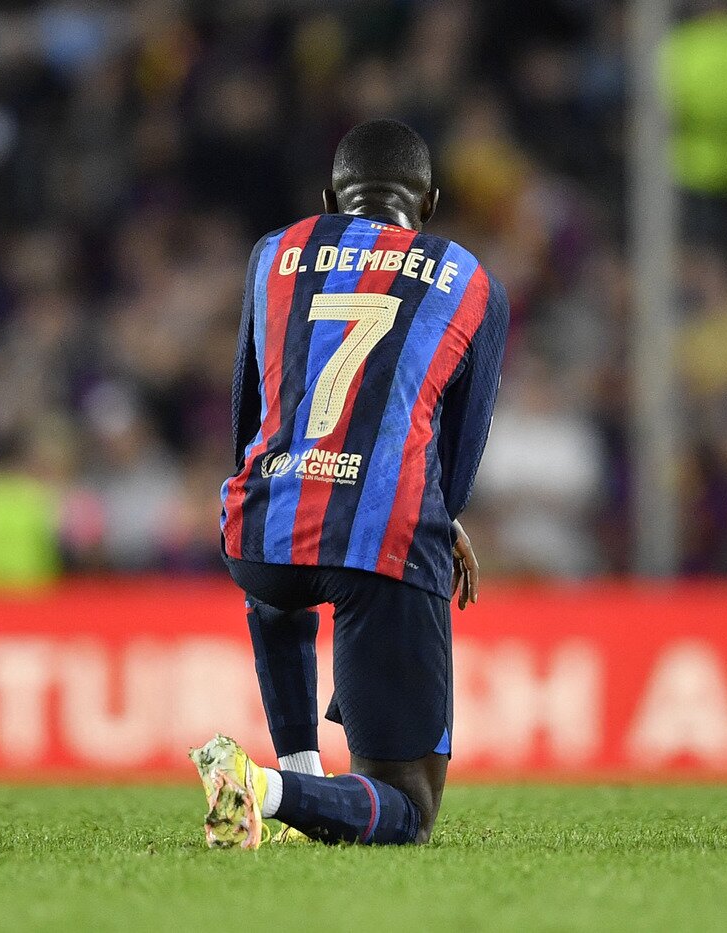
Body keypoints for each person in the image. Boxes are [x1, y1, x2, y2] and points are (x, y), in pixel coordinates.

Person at [189, 119, 509, 848]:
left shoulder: (272, 253)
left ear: (331, 196)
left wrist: (281, 482)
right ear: (428, 203)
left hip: (260, 531)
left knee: (276, 570)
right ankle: (267, 786)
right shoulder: (469, 278)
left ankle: (295, 766)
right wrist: (445, 520)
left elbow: (249, 413)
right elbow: (458, 457)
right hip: (382, 538)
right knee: (407, 806)